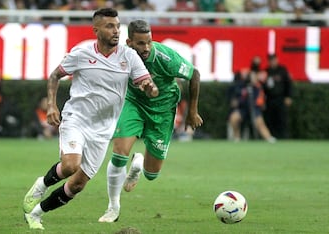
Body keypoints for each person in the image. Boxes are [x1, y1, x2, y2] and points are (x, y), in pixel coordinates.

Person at [22, 8, 158, 230]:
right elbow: (55, 75)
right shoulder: (81, 53)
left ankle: (36, 214)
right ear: (96, 30)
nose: (115, 31)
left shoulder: (129, 56)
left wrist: (149, 87)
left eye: (117, 26)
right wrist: (52, 105)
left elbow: (146, 83)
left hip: (103, 130)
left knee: (77, 185)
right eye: (109, 26)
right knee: (70, 166)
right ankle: (41, 185)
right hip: (77, 119)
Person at [98, 19, 203, 223]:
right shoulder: (120, 55)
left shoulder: (165, 57)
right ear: (129, 42)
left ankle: (138, 163)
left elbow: (194, 74)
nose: (146, 48)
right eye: (140, 44)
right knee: (119, 154)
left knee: (151, 174)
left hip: (162, 112)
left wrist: (192, 111)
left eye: (149, 42)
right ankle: (113, 207)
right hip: (134, 103)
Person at [228, 56, 276, 143]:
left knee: (260, 123)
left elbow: (261, 98)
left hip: (254, 107)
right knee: (234, 118)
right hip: (243, 108)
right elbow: (236, 94)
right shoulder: (243, 85)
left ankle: (269, 138)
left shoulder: (258, 87)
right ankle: (236, 137)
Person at [262, 54, 293, 139]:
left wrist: (288, 96)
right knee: (270, 119)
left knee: (282, 118)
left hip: (280, 98)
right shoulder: (266, 71)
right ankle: (271, 136)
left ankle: (284, 136)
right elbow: (263, 87)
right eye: (271, 60)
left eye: (274, 60)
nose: (272, 62)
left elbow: (288, 84)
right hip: (269, 99)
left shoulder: (282, 70)